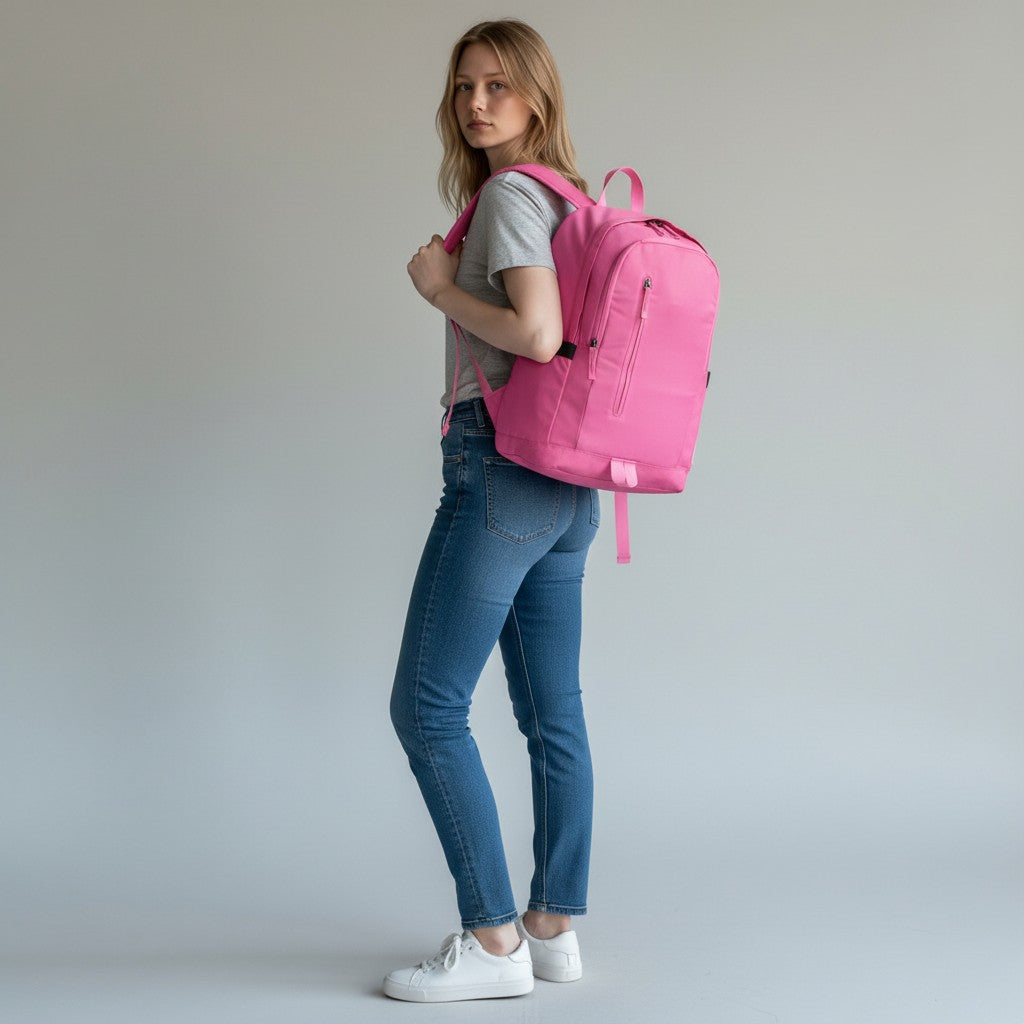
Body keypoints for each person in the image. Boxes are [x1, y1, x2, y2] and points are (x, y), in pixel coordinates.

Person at [383, 19, 600, 1004]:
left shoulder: (513, 195)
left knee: (426, 708)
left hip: (502, 467)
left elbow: (540, 335)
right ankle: (553, 929)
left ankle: (493, 943)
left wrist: (438, 288)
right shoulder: (567, 198)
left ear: (536, 98)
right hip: (567, 482)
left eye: (499, 86)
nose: (476, 103)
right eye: (465, 85)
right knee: (552, 712)